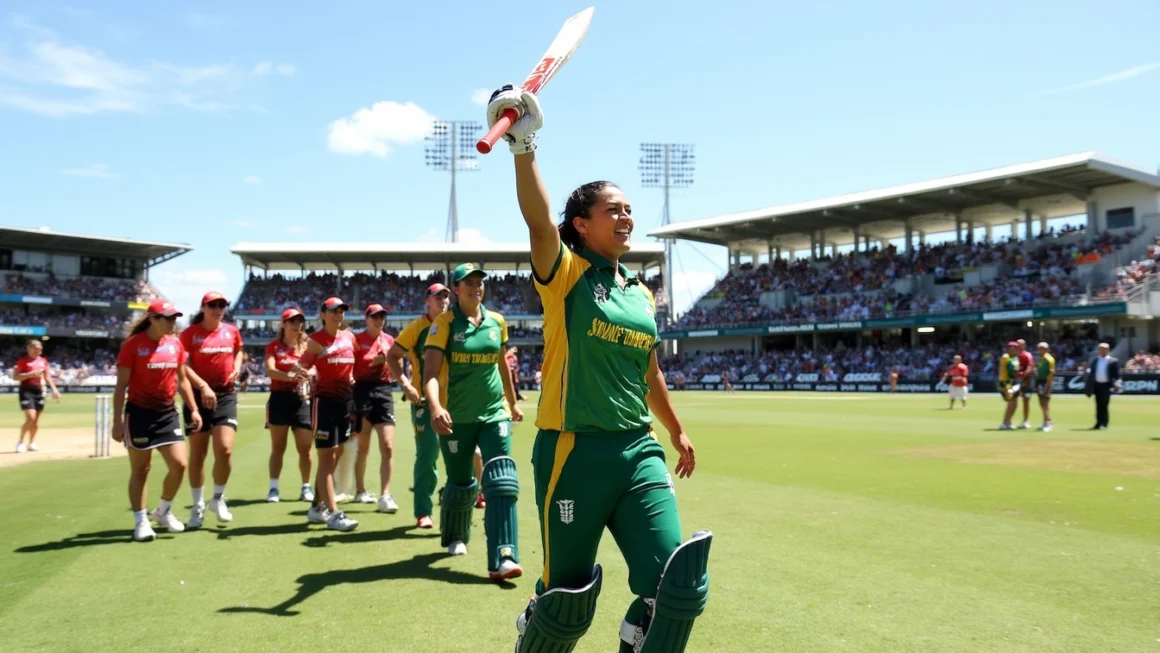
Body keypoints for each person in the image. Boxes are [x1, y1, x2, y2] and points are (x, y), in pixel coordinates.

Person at [485, 86, 709, 652]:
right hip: (574, 450)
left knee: (675, 585)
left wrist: (675, 428)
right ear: (582, 225)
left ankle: (637, 634)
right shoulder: (566, 274)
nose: (627, 216)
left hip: (637, 450)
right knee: (566, 597)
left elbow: (647, 368)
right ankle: (537, 619)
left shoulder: (640, 294)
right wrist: (523, 145)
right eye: (614, 209)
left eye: (630, 208)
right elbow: (539, 226)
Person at [423, 262, 524, 581]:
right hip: (457, 417)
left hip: (495, 414)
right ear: (455, 289)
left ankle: (504, 556)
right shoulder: (444, 324)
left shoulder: (497, 321)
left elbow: (502, 365)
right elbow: (430, 375)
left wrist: (512, 402)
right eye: (468, 282)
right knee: (461, 482)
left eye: (479, 282)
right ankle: (455, 535)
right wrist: (436, 406)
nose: (476, 286)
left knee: (501, 481)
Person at [112, 300, 203, 542]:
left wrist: (193, 409)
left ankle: (163, 510)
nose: (173, 322)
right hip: (139, 414)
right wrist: (117, 422)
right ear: (153, 319)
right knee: (141, 470)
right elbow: (121, 386)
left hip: (167, 413)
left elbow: (182, 380)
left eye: (175, 318)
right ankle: (141, 521)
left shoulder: (175, 344)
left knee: (180, 464)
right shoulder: (133, 346)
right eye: (168, 318)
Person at [289, 296, 359, 532]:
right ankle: (335, 514)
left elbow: (353, 364)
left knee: (336, 454)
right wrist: (303, 374)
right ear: (323, 314)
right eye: (334, 311)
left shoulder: (349, 337)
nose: (339, 315)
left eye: (342, 311)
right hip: (324, 403)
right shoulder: (316, 341)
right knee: (327, 459)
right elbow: (303, 367)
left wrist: (351, 376)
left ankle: (317, 506)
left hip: (345, 403)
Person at [386, 283, 450, 529]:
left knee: (462, 455)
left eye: (446, 297)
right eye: (437, 298)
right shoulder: (416, 328)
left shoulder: (456, 323)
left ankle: (458, 501)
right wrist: (405, 384)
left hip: (456, 401)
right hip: (425, 402)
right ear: (428, 301)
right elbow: (392, 356)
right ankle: (423, 511)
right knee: (428, 455)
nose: (443, 301)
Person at [180, 291, 245, 528]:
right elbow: (183, 366)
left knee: (225, 449)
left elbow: (239, 350)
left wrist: (237, 366)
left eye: (222, 305)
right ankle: (197, 506)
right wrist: (203, 386)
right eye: (212, 305)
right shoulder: (189, 334)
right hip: (197, 398)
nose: (218, 309)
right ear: (203, 307)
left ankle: (218, 498)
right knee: (198, 455)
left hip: (225, 395)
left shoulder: (232, 331)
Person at [264, 307, 316, 503]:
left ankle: (306, 487)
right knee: (278, 447)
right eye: (292, 321)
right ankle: (273, 488)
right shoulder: (273, 346)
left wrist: (308, 374)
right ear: (283, 324)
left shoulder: (309, 346)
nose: (297, 324)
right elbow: (270, 370)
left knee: (305, 447)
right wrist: (290, 376)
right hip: (279, 398)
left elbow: (316, 367)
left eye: (299, 321)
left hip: (302, 400)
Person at [352, 303, 399, 513]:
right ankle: (360, 490)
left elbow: (397, 362)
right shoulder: (356, 340)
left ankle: (385, 495)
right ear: (366, 319)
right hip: (361, 391)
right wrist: (374, 361)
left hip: (384, 391)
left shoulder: (390, 340)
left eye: (381, 317)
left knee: (388, 446)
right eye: (374, 317)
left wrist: (388, 361)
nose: (379, 320)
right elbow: (351, 365)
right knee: (363, 447)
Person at [12, 339, 60, 453]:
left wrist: (54, 390)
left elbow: (47, 377)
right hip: (26, 391)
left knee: (36, 421)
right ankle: (20, 441)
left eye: (40, 349)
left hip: (38, 391)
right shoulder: (23, 361)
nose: (39, 351)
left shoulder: (43, 361)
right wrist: (30, 374)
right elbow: (16, 377)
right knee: (30, 418)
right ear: (29, 348)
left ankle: (32, 442)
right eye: (36, 349)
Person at [1084, 342, 1121, 430]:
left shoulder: (1113, 361)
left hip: (1106, 385)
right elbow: (1092, 372)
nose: (1100, 350)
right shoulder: (1096, 360)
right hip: (1097, 385)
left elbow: (1117, 375)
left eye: (1103, 349)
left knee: (1104, 405)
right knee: (1098, 404)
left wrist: (1117, 384)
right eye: (1100, 349)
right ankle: (1098, 422)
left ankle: (1104, 423)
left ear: (1107, 350)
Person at [998, 341, 1021, 430]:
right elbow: (1012, 370)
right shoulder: (1006, 357)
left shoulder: (1014, 357)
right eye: (1011, 348)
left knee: (1013, 404)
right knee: (1012, 403)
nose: (1013, 350)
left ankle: (1008, 421)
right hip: (1006, 382)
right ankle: (1005, 422)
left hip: (1011, 382)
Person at [1035, 342, 1056, 431]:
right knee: (1041, 403)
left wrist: (1048, 385)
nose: (1038, 350)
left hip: (1045, 382)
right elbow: (1038, 367)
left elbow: (1051, 372)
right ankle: (1046, 421)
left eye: (1040, 348)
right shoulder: (1040, 358)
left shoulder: (1049, 359)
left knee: (1045, 403)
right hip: (1039, 381)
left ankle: (1048, 422)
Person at [1014, 339, 1035, 429]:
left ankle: (1026, 420)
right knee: (1012, 400)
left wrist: (1023, 376)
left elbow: (1030, 367)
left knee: (1026, 400)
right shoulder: (1014, 355)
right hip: (1015, 380)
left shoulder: (1027, 355)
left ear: (1024, 346)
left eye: (1020, 344)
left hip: (1026, 381)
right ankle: (1008, 420)